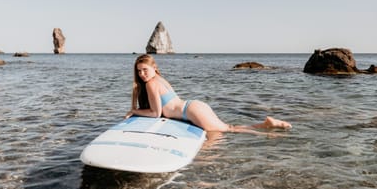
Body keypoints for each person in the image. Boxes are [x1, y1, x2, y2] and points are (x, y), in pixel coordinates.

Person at [125, 54, 292, 134]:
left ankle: (268, 131)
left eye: (145, 70)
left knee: (229, 130)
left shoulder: (151, 84)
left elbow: (155, 113)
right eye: (139, 71)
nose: (142, 74)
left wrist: (134, 111)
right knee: (229, 127)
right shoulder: (160, 79)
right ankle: (267, 126)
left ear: (154, 68)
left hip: (190, 111)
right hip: (193, 106)